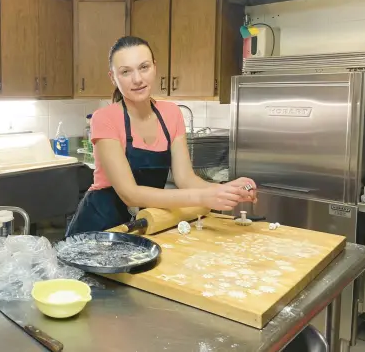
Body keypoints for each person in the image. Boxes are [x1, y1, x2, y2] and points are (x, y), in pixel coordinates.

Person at [66, 36, 257, 236]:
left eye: (144, 67)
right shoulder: (104, 118)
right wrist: (205, 197)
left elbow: (185, 179)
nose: (137, 79)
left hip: (143, 226)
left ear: (155, 67)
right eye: (125, 72)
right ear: (113, 78)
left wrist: (225, 189)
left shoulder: (171, 113)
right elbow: (130, 194)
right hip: (98, 228)